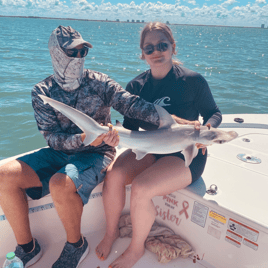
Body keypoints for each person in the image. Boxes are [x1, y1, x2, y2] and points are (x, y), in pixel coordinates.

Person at [0, 25, 162, 268]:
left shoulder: (99, 83)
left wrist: (172, 121)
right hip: (59, 151)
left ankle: (76, 245)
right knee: (3, 175)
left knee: (60, 183)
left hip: (97, 153)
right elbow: (51, 137)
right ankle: (27, 247)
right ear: (56, 53)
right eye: (72, 52)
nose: (79, 58)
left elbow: (131, 105)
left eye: (83, 52)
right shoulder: (42, 92)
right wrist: (83, 138)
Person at [95, 22, 222, 268]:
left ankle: (135, 249)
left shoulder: (193, 81)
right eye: (149, 47)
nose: (157, 51)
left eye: (162, 45)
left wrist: (207, 130)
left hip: (186, 154)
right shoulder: (135, 87)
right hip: (152, 147)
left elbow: (213, 113)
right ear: (142, 54)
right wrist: (115, 135)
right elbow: (131, 128)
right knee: (114, 174)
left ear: (173, 47)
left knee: (142, 188)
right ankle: (111, 232)